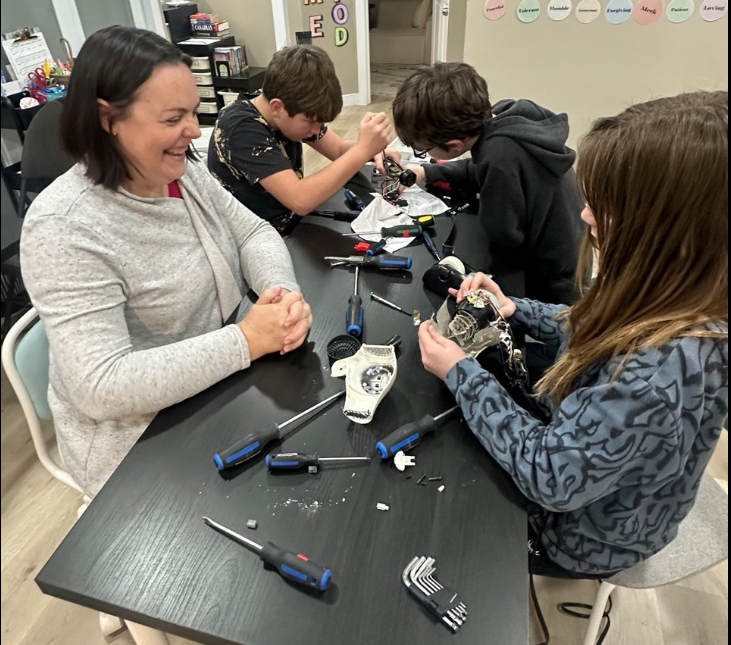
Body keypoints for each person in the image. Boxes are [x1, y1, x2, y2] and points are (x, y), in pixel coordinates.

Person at [417, 91, 728, 578]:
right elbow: (587, 323)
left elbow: (550, 477)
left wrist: (461, 375)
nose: (584, 214)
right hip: (600, 480)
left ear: (673, 229)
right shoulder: (669, 289)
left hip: (580, 538)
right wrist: (517, 309)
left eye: (605, 205)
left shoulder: (654, 369)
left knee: (440, 520)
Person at [20, 26, 313, 497]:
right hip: (137, 446)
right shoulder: (63, 227)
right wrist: (245, 340)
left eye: (194, 112)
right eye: (174, 117)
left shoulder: (182, 171)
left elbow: (254, 231)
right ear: (107, 119)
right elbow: (102, 383)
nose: (195, 132)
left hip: (213, 387)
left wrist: (281, 292)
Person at [392, 62, 584, 305]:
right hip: (571, 252)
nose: (423, 154)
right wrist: (425, 172)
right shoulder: (508, 121)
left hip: (553, 278)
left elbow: (505, 233)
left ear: (454, 145)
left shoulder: (500, 157)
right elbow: (479, 170)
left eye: (424, 151)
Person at [208, 45, 398, 235]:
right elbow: (300, 200)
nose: (315, 130)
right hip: (257, 237)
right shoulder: (240, 127)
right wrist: (362, 150)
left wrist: (372, 151)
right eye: (310, 121)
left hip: (289, 222)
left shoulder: (285, 107)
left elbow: (338, 148)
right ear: (277, 108)